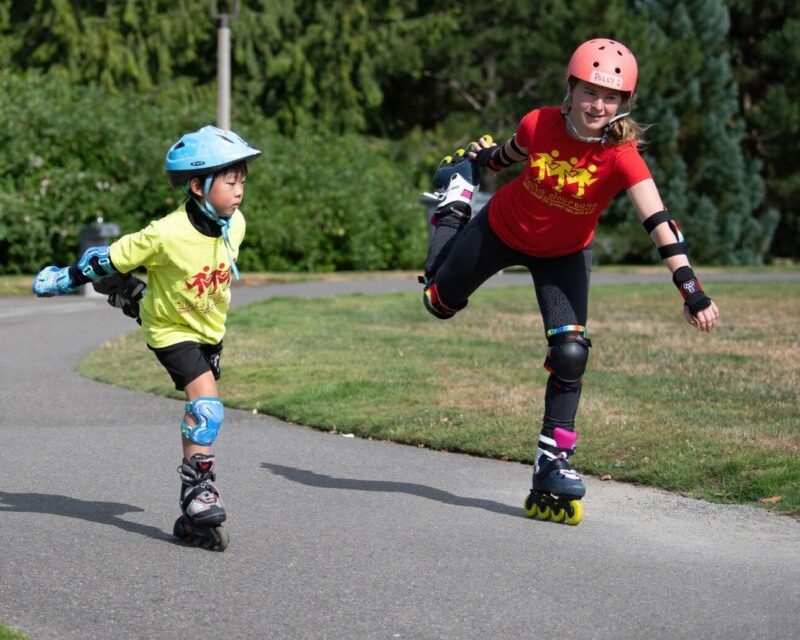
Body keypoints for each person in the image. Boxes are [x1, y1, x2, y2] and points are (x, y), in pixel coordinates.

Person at [419, 38, 720, 526]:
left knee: (571, 353)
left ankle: (552, 460)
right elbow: (507, 156)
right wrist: (479, 162)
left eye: (611, 98)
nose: (598, 106)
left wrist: (690, 287)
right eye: (589, 93)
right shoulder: (538, 122)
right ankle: (454, 200)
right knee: (438, 301)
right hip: (500, 230)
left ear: (623, 103)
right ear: (571, 88)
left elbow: (659, 220)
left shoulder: (622, 155)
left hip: (564, 255)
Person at [32, 125, 261, 549]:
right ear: (198, 184)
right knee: (208, 407)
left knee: (201, 407)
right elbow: (107, 257)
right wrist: (63, 278)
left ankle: (134, 295)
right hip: (172, 332)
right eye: (230, 181)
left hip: (207, 330)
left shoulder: (236, 224)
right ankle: (198, 493)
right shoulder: (166, 233)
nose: (239, 190)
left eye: (242, 180)